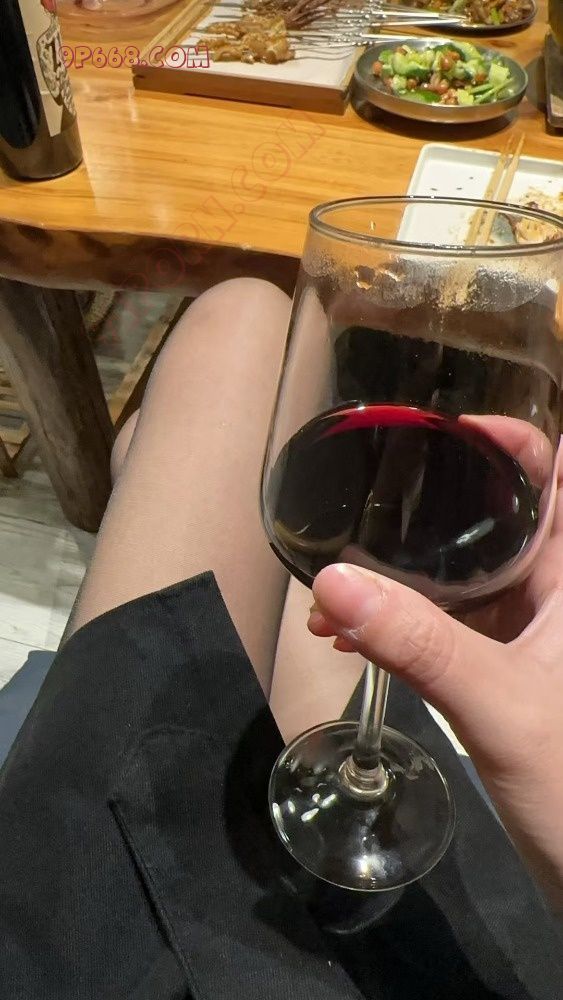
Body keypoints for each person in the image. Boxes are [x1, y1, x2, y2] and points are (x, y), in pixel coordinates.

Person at [0, 278, 561, 1000]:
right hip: (495, 955)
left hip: (86, 945)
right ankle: (360, 770)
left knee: (234, 321)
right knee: (231, 377)